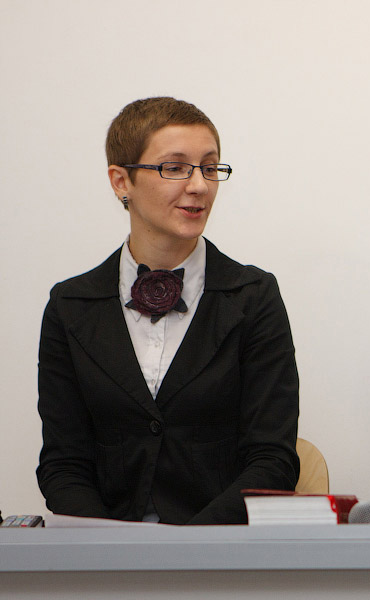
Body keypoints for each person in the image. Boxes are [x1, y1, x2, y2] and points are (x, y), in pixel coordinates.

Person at [36, 97, 300, 524]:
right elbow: (64, 465)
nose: (199, 186)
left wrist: (188, 549)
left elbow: (272, 460)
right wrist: (114, 549)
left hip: (219, 549)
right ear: (121, 181)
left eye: (209, 168)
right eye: (174, 168)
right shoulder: (70, 305)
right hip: (107, 553)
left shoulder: (253, 297)